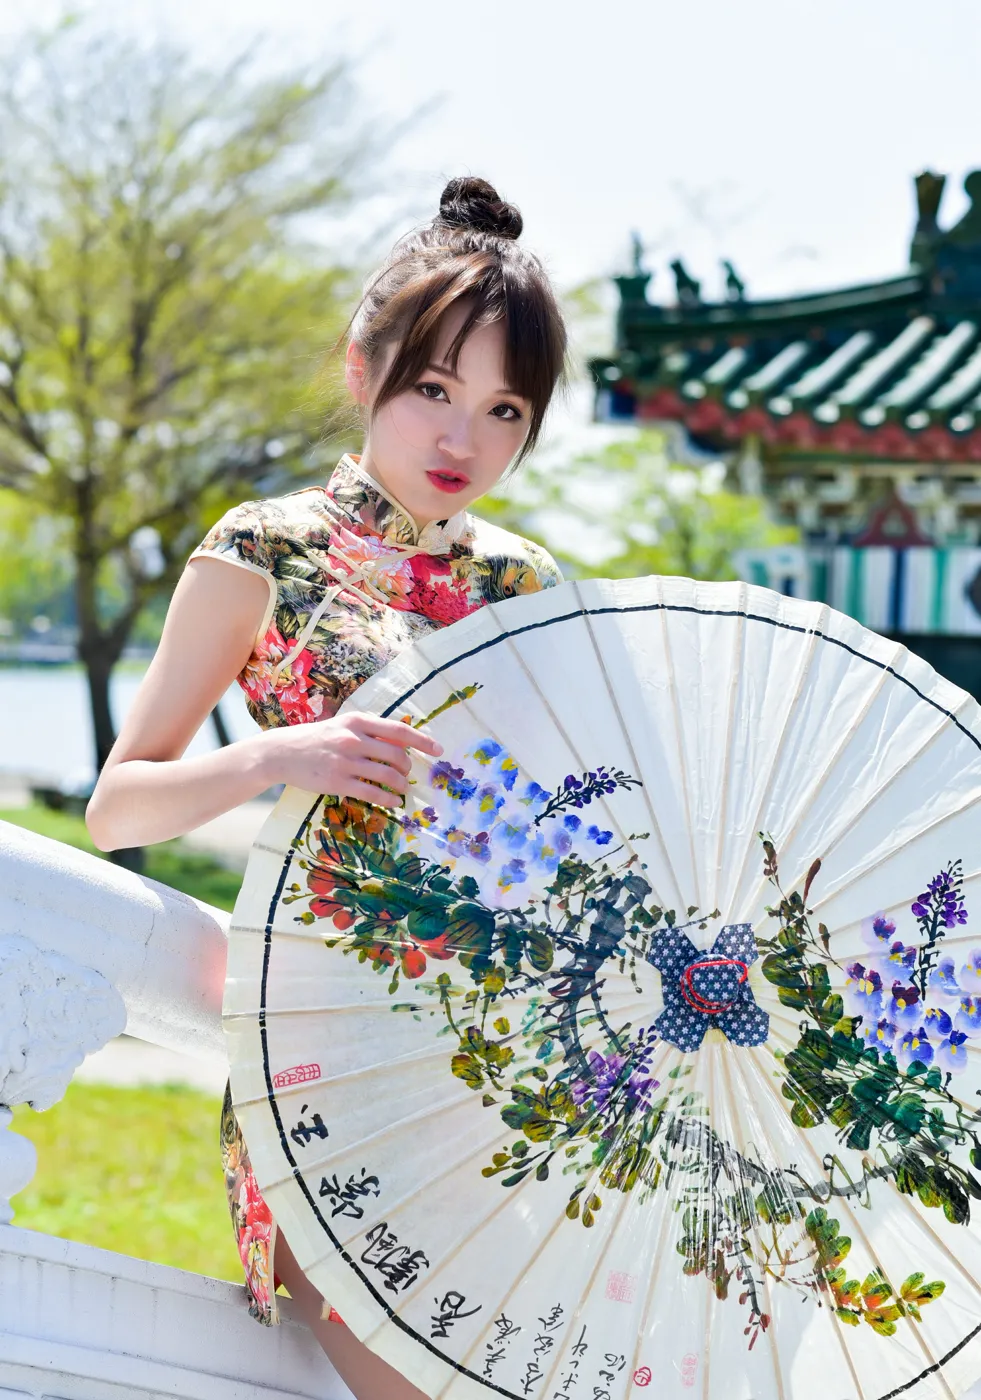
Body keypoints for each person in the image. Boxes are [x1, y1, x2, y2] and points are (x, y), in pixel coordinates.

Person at [85, 174, 568, 1400]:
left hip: (491, 1040)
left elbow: (576, 807)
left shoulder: (527, 586)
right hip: (315, 1026)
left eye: (505, 408)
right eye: (434, 390)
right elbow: (119, 804)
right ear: (366, 370)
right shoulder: (264, 549)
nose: (464, 438)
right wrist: (276, 758)